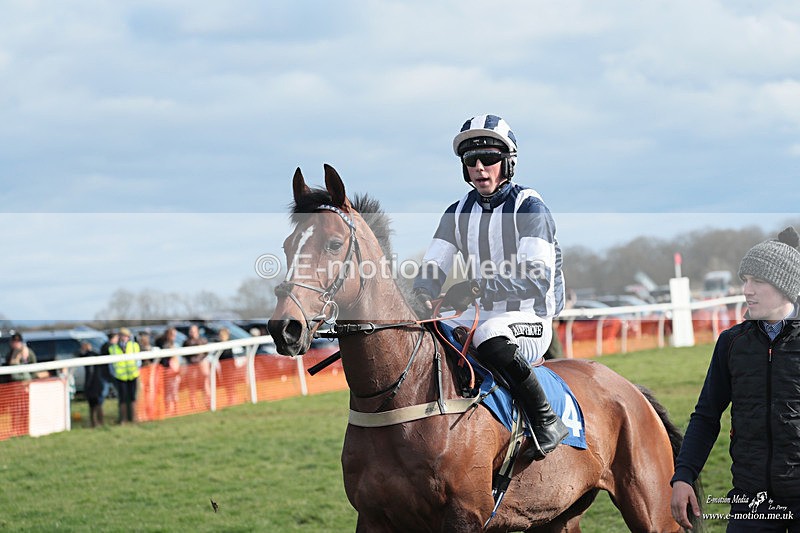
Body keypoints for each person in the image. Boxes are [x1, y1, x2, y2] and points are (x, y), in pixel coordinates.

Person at [412, 114, 568, 460]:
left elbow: (536, 277)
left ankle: (546, 421)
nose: (480, 167)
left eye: (490, 159)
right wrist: (421, 292)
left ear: (508, 163)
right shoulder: (457, 212)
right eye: (471, 161)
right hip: (481, 313)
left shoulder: (529, 206)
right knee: (430, 332)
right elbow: (433, 266)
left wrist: (478, 287)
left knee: (490, 336)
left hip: (530, 316)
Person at [671, 227, 800, 531]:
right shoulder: (731, 343)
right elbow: (706, 416)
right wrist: (684, 475)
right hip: (751, 502)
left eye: (758, 281)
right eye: (745, 280)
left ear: (784, 287)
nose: (747, 290)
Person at [109, 327, 141, 423]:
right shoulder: (113, 348)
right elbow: (111, 364)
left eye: (125, 336)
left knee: (133, 397)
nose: (124, 338)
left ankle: (133, 417)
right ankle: (123, 418)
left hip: (133, 375)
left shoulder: (134, 346)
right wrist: (114, 374)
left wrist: (136, 371)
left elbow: (138, 361)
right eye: (122, 336)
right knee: (122, 398)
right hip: (120, 377)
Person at [79, 340, 105, 427]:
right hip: (98, 382)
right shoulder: (95, 354)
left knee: (94, 404)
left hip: (93, 383)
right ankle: (98, 422)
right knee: (96, 403)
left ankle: (95, 423)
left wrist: (87, 385)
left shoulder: (89, 356)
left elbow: (90, 371)